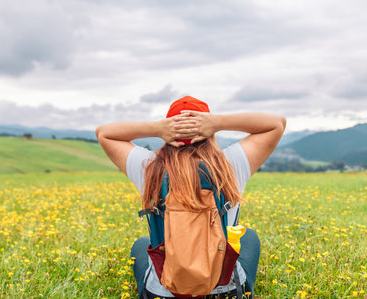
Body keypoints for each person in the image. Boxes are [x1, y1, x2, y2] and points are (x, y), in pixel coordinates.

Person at [96, 96, 286, 298]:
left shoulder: (148, 167)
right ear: (208, 132)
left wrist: (157, 128)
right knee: (248, 236)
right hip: (225, 292)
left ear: (168, 132)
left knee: (141, 245)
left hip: (162, 293)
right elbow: (277, 124)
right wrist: (218, 123)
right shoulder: (230, 163)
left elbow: (104, 133)